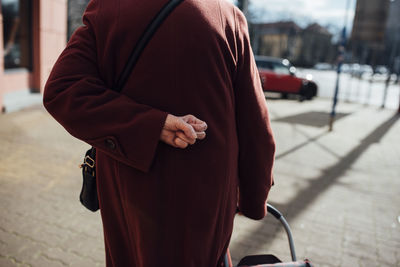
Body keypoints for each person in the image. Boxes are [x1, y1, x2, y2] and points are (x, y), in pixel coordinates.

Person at [43, 0, 275, 266]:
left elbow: (62, 90)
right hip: (206, 190)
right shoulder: (227, 16)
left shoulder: (109, 8)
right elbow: (255, 123)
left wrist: (151, 125)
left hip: (130, 185)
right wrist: (254, 198)